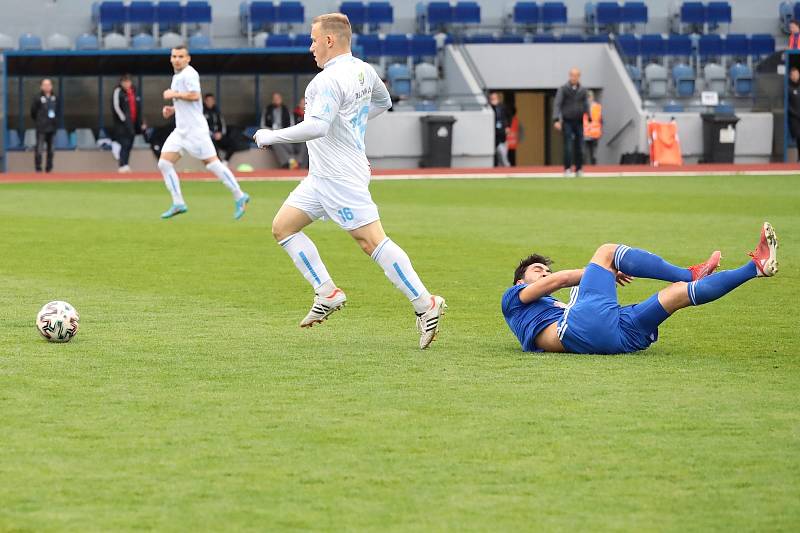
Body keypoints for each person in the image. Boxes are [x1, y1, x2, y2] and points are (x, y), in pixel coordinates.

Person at [254, 13, 446, 349]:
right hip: (323, 175)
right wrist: (352, 123)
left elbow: (317, 127)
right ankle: (327, 292)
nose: (310, 47)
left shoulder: (324, 82)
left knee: (371, 241)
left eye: (313, 39)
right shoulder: (364, 69)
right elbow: (383, 103)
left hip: (339, 176)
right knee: (283, 227)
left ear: (329, 40)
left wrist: (271, 135)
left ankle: (425, 303)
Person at [502, 223, 778, 354]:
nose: (545, 273)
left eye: (546, 269)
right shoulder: (512, 299)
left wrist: (603, 274)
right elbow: (559, 280)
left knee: (676, 293)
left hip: (613, 339)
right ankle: (690, 272)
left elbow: (556, 283)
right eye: (537, 270)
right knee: (607, 251)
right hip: (578, 331)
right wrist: (601, 270)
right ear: (519, 282)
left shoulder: (551, 307)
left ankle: (755, 268)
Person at [158, 45, 249, 220]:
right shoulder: (177, 76)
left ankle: (239, 194)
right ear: (170, 58)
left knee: (212, 164)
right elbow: (187, 103)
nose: (177, 59)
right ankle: (178, 203)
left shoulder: (189, 73)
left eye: (180, 56)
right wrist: (173, 109)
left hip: (195, 131)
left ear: (188, 59)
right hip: (181, 130)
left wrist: (173, 94)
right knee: (164, 163)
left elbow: (194, 96)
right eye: (174, 56)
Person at [553, 68, 590, 177]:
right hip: (567, 121)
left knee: (580, 146)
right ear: (569, 76)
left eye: (576, 75)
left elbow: (586, 104)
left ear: (579, 76)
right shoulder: (563, 89)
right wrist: (556, 119)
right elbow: (557, 104)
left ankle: (579, 169)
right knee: (568, 146)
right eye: (572, 75)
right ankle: (567, 168)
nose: (574, 78)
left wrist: (589, 116)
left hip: (579, 121)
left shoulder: (583, 90)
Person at [111, 74, 145, 173]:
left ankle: (126, 164)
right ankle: (122, 164)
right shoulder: (118, 91)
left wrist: (141, 121)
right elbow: (116, 107)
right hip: (122, 124)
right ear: (121, 83)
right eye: (125, 82)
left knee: (129, 144)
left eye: (128, 81)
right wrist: (124, 119)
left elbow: (138, 108)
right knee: (124, 143)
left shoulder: (134, 91)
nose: (127, 84)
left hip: (133, 124)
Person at [260, 91, 301, 169]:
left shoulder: (286, 110)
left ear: (281, 99)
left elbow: (291, 125)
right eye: (275, 98)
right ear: (272, 100)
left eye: (278, 98)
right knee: (275, 140)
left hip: (284, 133)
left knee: (279, 139)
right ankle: (290, 160)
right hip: (272, 133)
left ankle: (289, 161)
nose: (276, 100)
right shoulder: (267, 109)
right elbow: (262, 125)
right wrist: (272, 131)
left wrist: (282, 132)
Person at [30, 78, 58, 173]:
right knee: (39, 149)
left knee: (51, 150)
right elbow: (33, 112)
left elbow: (58, 111)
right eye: (45, 85)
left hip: (52, 128)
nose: (47, 86)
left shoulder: (55, 97)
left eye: (48, 84)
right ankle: (38, 168)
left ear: (51, 86)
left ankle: (49, 169)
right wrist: (39, 121)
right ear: (41, 86)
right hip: (41, 128)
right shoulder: (37, 98)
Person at [203, 93, 234, 163]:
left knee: (231, 143)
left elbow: (222, 124)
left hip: (218, 135)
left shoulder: (216, 111)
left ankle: (225, 162)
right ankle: (218, 163)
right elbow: (200, 126)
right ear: (205, 101)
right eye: (208, 100)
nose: (210, 102)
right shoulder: (201, 111)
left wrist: (221, 134)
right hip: (207, 137)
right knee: (213, 147)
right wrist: (211, 134)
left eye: (211, 100)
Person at [489, 91, 510, 167]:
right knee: (495, 157)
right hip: (493, 135)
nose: (494, 100)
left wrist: (507, 127)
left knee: (503, 156)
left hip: (502, 135)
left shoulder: (502, 107)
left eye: (495, 98)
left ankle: (507, 170)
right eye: (492, 99)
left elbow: (507, 117)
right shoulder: (490, 108)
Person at [582, 90, 603, 166]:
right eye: (587, 97)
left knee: (593, 154)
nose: (588, 98)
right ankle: (582, 169)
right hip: (585, 133)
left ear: (592, 97)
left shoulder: (597, 107)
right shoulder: (582, 107)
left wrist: (600, 130)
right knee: (583, 153)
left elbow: (600, 119)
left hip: (594, 133)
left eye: (589, 97)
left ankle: (593, 168)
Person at [292, 97, 310, 169]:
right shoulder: (294, 114)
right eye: (302, 103)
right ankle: (290, 161)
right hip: (294, 140)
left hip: (307, 140)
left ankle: (300, 164)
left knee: (306, 141)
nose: (304, 105)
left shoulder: (311, 115)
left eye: (305, 103)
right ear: (299, 104)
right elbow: (291, 128)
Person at [787, 67, 800, 161]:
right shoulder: (788, 88)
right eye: (794, 74)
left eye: (797, 74)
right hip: (794, 118)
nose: (796, 76)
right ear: (790, 76)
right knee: (798, 137)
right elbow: (787, 104)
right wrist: (795, 114)